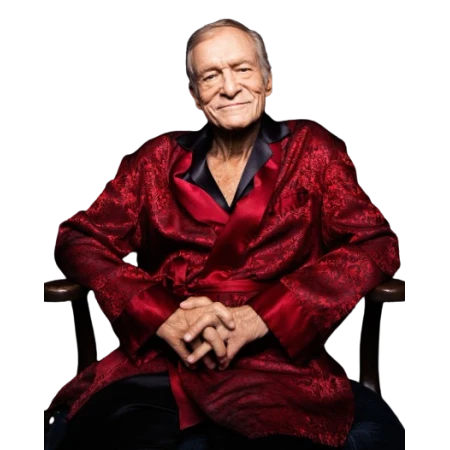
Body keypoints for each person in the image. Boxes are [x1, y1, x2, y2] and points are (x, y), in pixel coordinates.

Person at [46, 18, 406, 450]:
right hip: (167, 358)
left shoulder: (312, 151)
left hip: (277, 363)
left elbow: (375, 244)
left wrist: (264, 316)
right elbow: (78, 239)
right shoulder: (157, 159)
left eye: (242, 69)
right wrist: (161, 314)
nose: (230, 87)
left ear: (267, 81)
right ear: (195, 95)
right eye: (211, 76)